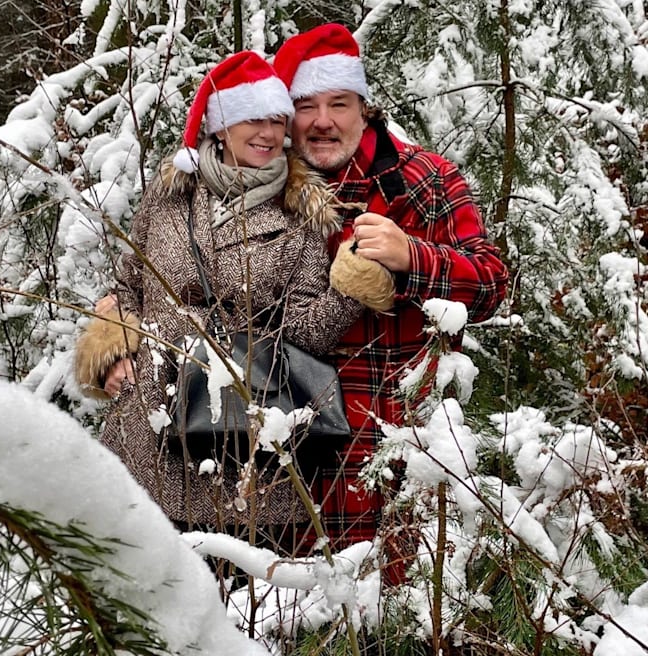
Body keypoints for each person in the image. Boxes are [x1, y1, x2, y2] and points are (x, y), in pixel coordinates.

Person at [74, 50, 363, 554]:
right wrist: (112, 347)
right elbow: (130, 285)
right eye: (254, 118)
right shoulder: (169, 197)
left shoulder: (301, 216)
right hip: (147, 424)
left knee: (232, 608)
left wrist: (353, 291)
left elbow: (305, 337)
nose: (269, 133)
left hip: (235, 446)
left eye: (278, 120)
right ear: (220, 125)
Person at [273, 24, 509, 559]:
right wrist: (120, 309)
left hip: (401, 455)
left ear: (364, 107)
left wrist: (412, 259)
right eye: (306, 106)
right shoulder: (265, 187)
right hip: (290, 463)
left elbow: (493, 284)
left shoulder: (424, 179)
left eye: (339, 103)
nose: (323, 121)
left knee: (398, 623)